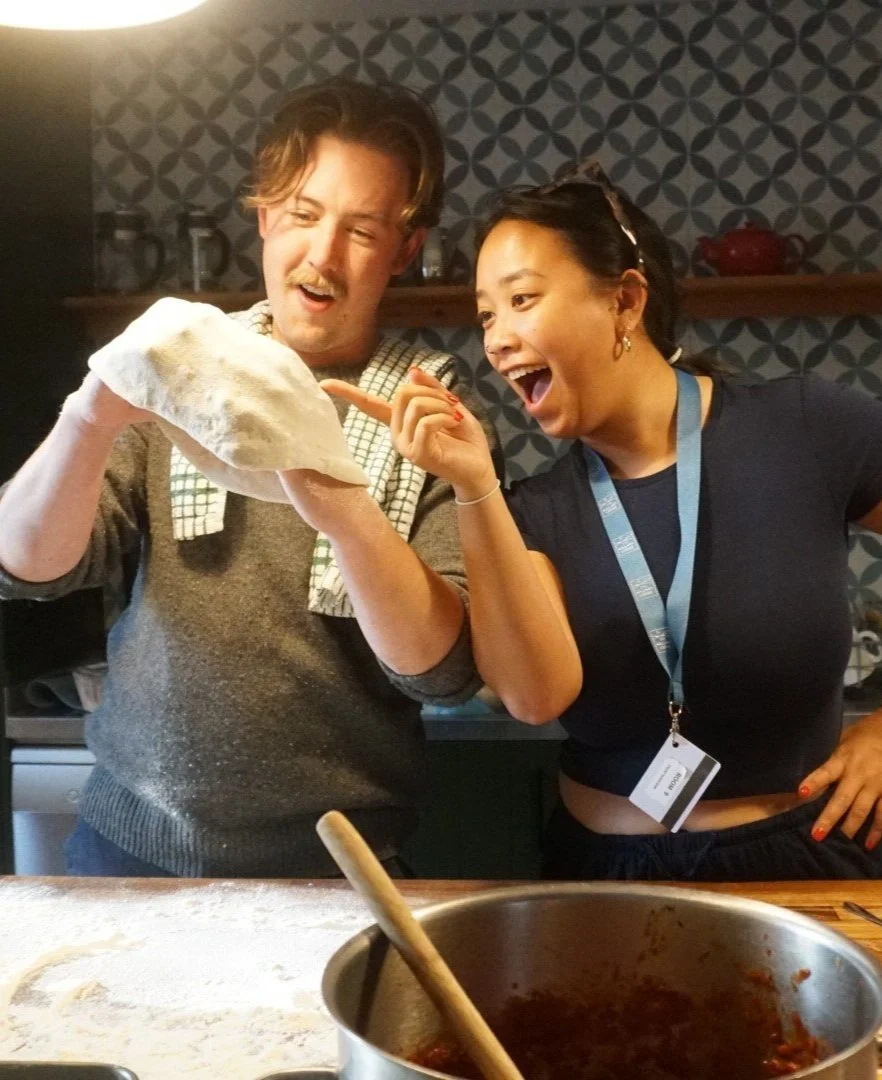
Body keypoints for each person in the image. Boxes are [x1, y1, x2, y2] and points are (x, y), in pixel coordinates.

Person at [325, 159, 882, 881]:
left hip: (800, 866)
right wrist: (473, 484)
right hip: (597, 879)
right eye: (485, 316)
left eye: (521, 299)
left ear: (624, 300)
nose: (493, 340)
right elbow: (533, 696)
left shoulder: (806, 426)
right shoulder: (530, 510)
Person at [0, 78, 499, 878]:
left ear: (404, 251)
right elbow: (25, 567)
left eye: (363, 230)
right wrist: (88, 417)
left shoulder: (427, 411)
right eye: (302, 214)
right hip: (126, 855)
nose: (323, 254)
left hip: (339, 874)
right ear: (265, 215)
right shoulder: (182, 369)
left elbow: (440, 668)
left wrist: (344, 508)